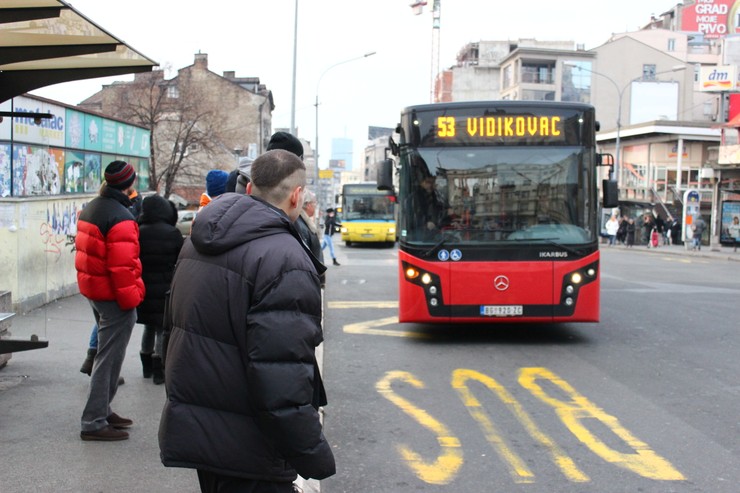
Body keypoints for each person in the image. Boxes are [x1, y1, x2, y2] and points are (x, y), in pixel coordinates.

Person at [159, 149, 335, 492]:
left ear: (251, 186)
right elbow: (282, 376)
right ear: (297, 195)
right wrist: (312, 455)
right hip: (251, 444)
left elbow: (175, 329)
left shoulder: (198, 240)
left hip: (203, 429)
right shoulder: (285, 258)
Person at [75, 160, 145, 441]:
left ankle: (102, 408)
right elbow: (123, 268)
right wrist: (133, 302)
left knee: (107, 354)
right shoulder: (120, 217)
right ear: (129, 184)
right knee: (108, 357)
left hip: (95, 290)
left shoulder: (92, 207)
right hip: (113, 296)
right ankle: (93, 420)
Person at [136, 194, 183, 385]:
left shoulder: (138, 231)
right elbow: (180, 260)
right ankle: (159, 370)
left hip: (143, 287)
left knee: (148, 326)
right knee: (160, 328)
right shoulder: (172, 233)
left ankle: (146, 366)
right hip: (164, 287)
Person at [296, 188, 326, 287]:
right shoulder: (302, 225)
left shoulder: (303, 222)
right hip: (308, 281)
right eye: (314, 203)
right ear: (308, 205)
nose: (315, 206)